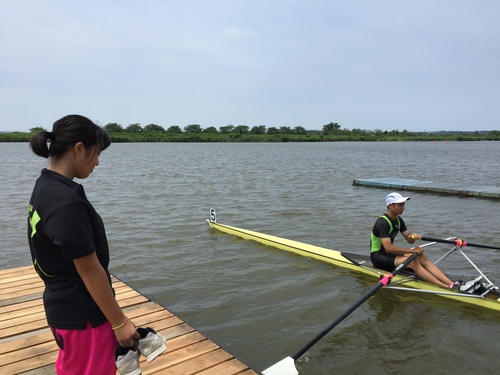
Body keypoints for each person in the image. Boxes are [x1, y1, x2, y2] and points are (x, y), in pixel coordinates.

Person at [27, 115, 143, 374]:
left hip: (64, 307)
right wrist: (119, 322)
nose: (98, 162)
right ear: (79, 148)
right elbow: (89, 269)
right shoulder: (66, 203)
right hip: (85, 316)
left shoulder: (46, 186)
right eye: (96, 153)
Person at [370, 192, 460, 289]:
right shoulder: (382, 222)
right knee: (412, 261)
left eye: (403, 204)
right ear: (390, 206)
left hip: (389, 255)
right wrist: (412, 251)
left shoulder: (399, 220)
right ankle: (445, 287)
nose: (403, 207)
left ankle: (451, 283)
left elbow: (410, 240)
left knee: (421, 257)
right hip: (378, 257)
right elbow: (389, 248)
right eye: (400, 205)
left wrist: (413, 236)